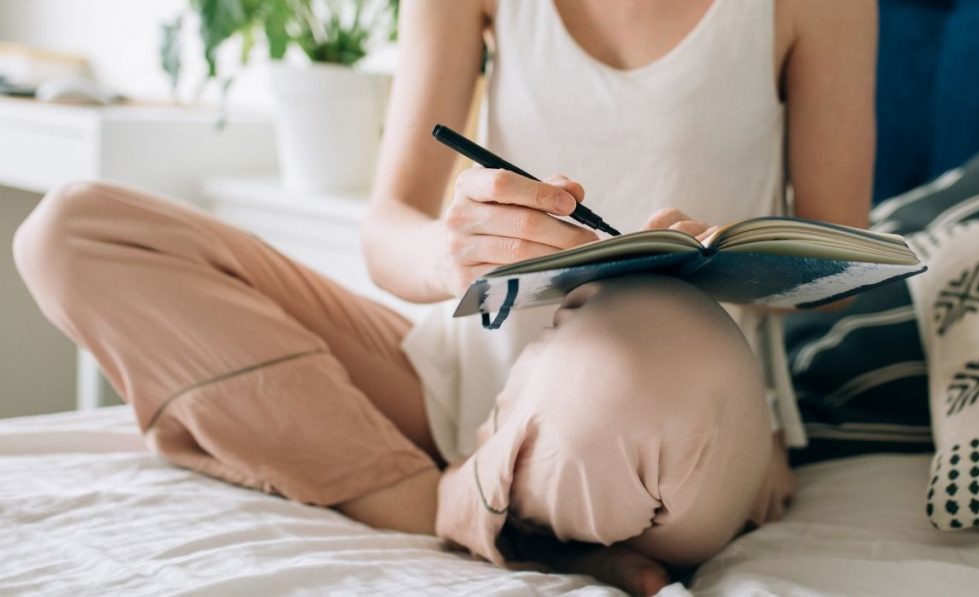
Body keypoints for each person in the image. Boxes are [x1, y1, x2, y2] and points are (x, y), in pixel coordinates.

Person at [13, 0, 876, 594]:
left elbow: (838, 274)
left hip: (659, 410)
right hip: (455, 382)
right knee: (73, 230)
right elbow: (387, 228)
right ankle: (445, 504)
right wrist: (449, 250)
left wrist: (713, 255)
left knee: (631, 341)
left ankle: (473, 495)